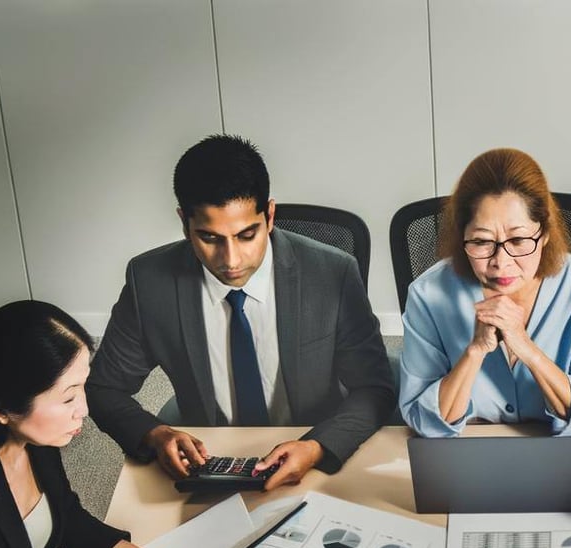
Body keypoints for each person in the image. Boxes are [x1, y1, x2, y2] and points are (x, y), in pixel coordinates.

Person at [86, 133, 395, 489]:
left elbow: (374, 387)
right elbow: (104, 387)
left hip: (310, 446)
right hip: (211, 459)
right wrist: (155, 434)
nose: (231, 260)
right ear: (183, 222)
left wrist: (315, 447)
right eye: (210, 238)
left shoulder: (333, 272)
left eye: (247, 235)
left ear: (270, 215)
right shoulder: (149, 281)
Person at [0, 299, 197, 548]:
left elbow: (65, 517)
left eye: (82, 388)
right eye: (68, 397)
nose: (84, 410)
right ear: (3, 409)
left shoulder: (32, 440)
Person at [398, 148, 571, 436]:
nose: (501, 263)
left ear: (545, 233)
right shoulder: (428, 295)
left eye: (519, 239)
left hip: (557, 455)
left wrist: (526, 348)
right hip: (464, 457)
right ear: (461, 236)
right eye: (481, 241)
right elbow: (420, 417)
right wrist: (474, 352)